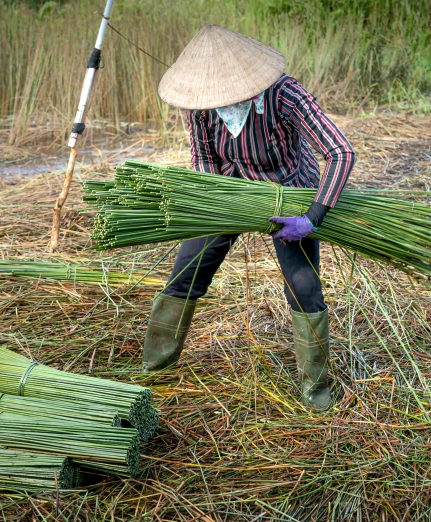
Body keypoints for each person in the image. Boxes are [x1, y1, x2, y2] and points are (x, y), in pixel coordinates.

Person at [142, 24, 356, 410]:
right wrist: (213, 203)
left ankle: (316, 390)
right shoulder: (201, 105)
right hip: (229, 193)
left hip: (288, 195)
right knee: (185, 273)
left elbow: (341, 153)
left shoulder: (286, 95)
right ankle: (155, 369)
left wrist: (312, 217)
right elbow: (205, 156)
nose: (222, 100)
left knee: (304, 287)